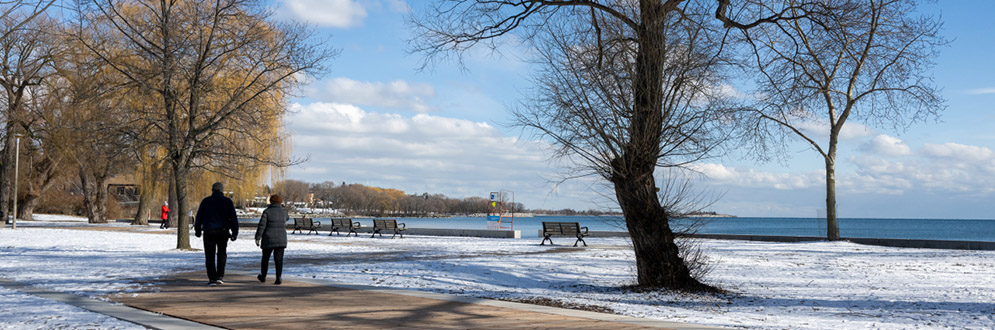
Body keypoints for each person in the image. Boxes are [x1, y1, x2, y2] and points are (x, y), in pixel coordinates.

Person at [193, 182, 238, 286]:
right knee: (222, 253)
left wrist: (198, 230)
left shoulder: (206, 201)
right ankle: (220, 276)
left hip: (209, 231)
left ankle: (212, 277)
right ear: (222, 190)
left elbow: (199, 216)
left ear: (212, 190)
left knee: (209, 255)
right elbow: (233, 218)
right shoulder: (227, 201)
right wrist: (234, 232)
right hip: (223, 231)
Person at [255, 194, 288, 285]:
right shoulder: (284, 212)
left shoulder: (267, 212)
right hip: (281, 239)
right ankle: (278, 277)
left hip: (268, 238)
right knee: (279, 259)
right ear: (280, 202)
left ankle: (263, 276)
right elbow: (287, 218)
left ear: (271, 201)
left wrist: (258, 237)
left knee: (265, 258)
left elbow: (262, 226)